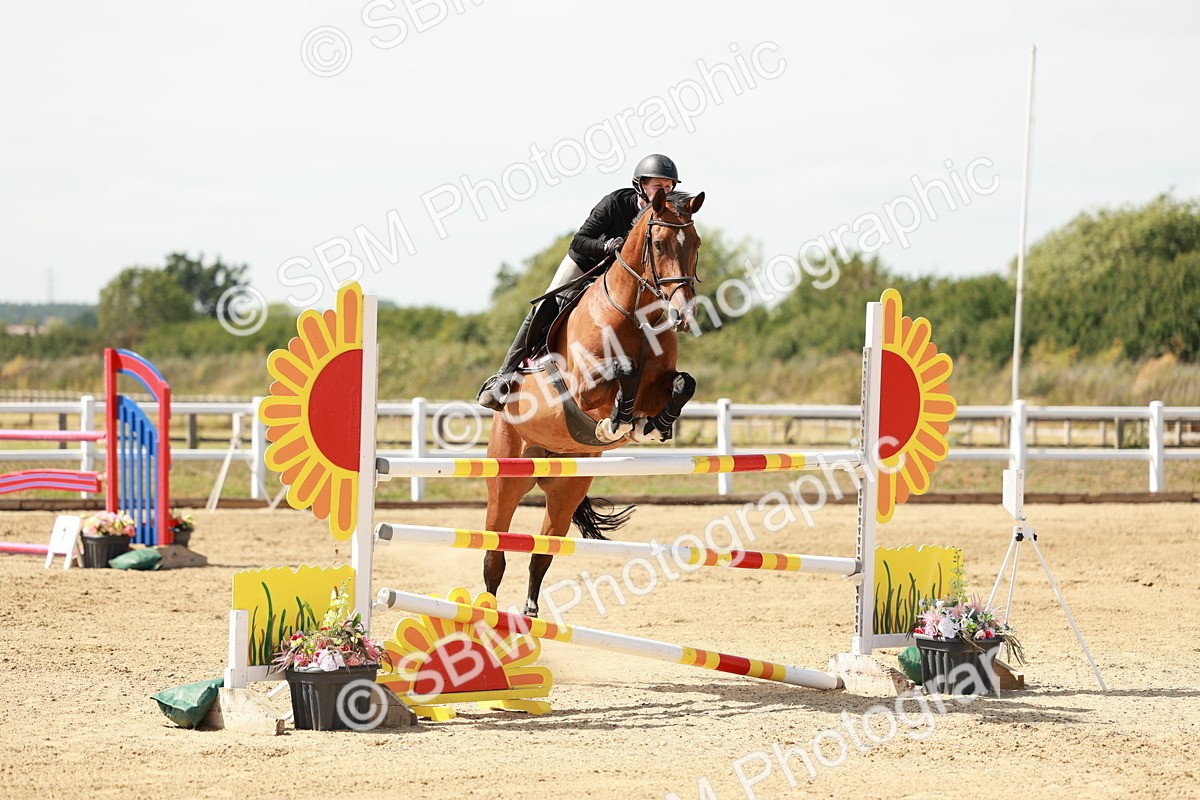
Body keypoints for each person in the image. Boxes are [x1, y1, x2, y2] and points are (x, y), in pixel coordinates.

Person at [476, 154, 682, 411]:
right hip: (587, 263)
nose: (664, 191)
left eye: (669, 187)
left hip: (623, 280)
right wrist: (607, 245)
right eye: (658, 186)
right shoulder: (614, 204)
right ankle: (503, 376)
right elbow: (579, 240)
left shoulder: (664, 216)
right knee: (547, 301)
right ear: (640, 185)